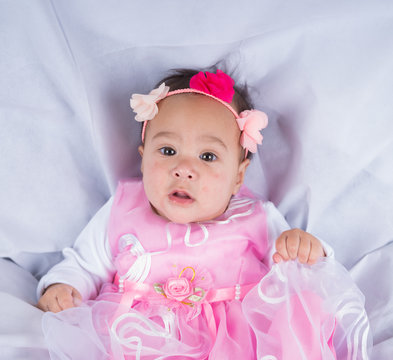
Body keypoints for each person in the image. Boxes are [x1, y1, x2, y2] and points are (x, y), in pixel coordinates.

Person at [36, 68, 370, 359]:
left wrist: (299, 246)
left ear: (238, 176)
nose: (183, 169)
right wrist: (64, 286)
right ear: (143, 158)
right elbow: (83, 263)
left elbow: (295, 274)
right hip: (136, 338)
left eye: (207, 157)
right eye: (168, 151)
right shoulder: (124, 207)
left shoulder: (256, 217)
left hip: (233, 344)